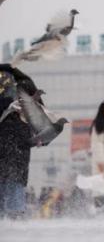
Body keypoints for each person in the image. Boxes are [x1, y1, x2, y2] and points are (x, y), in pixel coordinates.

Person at [0, 65, 39, 220]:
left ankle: (14, 219)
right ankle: (14, 219)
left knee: (12, 185)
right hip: (16, 148)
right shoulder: (25, 86)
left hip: (16, 148)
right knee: (13, 184)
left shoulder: (24, 88)